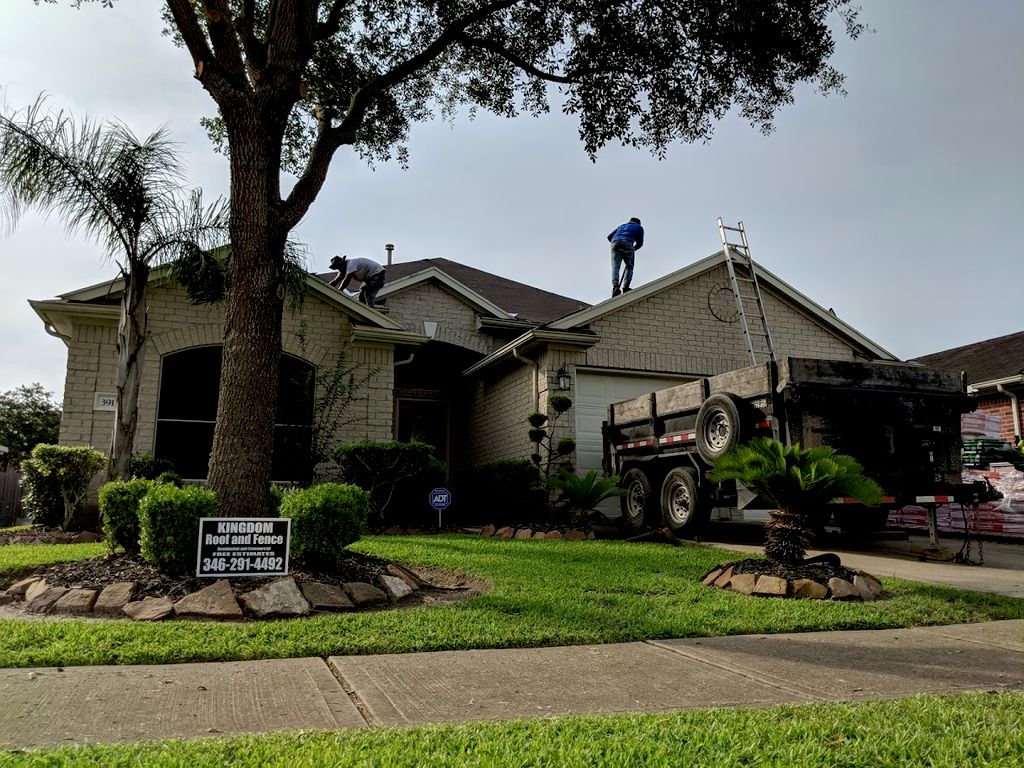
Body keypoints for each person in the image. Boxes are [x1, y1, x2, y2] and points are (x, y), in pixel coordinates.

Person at [607, 217, 644, 297]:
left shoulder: (621, 226)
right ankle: (625, 287)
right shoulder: (639, 227)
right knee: (629, 266)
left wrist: (615, 243)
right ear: (638, 223)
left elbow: (609, 237)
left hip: (615, 243)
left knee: (615, 265)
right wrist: (633, 249)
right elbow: (640, 243)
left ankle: (615, 286)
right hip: (628, 242)